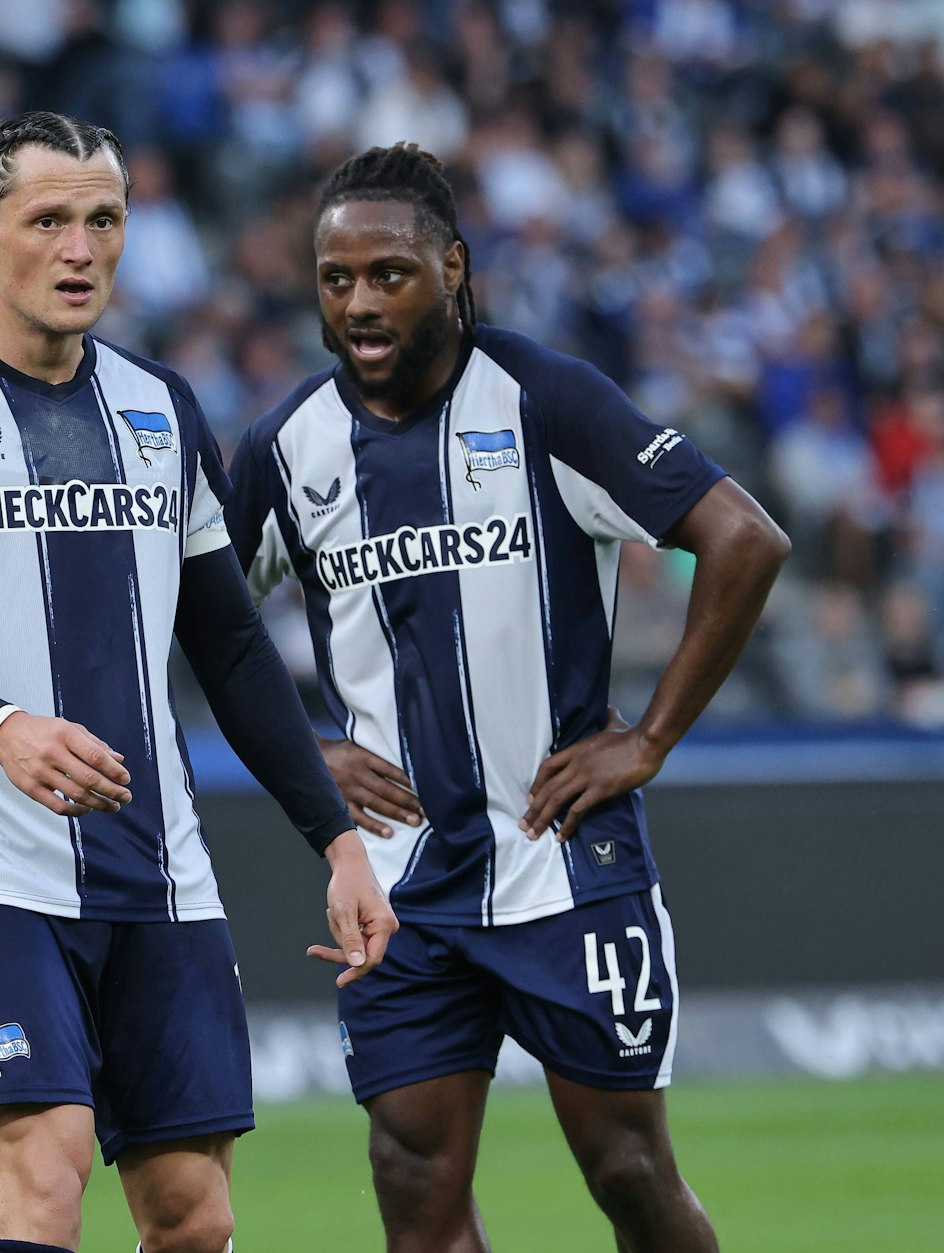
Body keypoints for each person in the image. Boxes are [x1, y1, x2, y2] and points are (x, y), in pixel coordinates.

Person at [0, 111, 396, 1253]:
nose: (80, 248)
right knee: (44, 1173)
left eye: (104, 219)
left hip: (157, 871)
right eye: (48, 220)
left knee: (191, 1214)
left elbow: (226, 644)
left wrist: (337, 841)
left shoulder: (159, 408)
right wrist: (1, 729)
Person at [225, 144, 792, 1253]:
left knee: (628, 1169)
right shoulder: (288, 447)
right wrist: (293, 747)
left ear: (451, 267)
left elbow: (743, 538)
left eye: (386, 273)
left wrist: (648, 737)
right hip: (398, 884)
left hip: (562, 864)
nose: (358, 302)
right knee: (414, 1186)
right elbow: (181, 613)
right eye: (334, 279)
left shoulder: (545, 400)